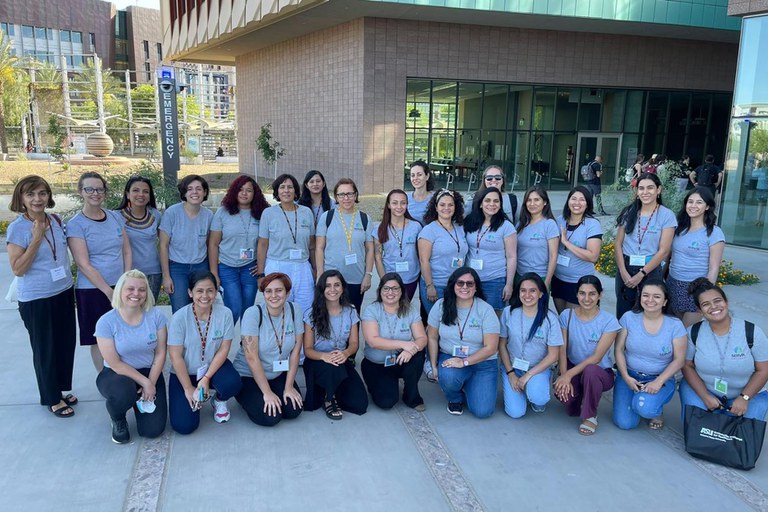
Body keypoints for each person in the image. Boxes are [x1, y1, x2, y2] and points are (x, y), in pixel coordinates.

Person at [7, 176, 78, 418]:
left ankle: (57, 390)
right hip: (37, 299)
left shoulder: (56, 220)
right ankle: (51, 398)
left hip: (63, 291)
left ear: (48, 196)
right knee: (45, 348)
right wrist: (36, 239)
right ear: (21, 199)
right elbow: (18, 269)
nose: (37, 199)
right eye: (31, 195)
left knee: (64, 344)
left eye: (42, 193)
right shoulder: (18, 228)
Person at [68, 171, 132, 371]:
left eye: (99, 189)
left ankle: (125, 372)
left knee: (122, 332)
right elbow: (84, 264)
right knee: (98, 337)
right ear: (81, 192)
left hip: (120, 286)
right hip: (93, 290)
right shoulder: (75, 224)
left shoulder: (114, 217)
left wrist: (126, 281)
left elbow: (127, 250)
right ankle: (105, 377)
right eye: (89, 189)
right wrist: (108, 291)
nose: (95, 193)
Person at [95, 270, 167, 444]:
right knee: (124, 392)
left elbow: (160, 352)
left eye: (142, 290)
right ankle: (118, 418)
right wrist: (146, 383)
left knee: (153, 430)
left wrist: (151, 380)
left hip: (149, 371)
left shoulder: (156, 316)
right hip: (116, 375)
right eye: (130, 289)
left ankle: (139, 403)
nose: (136, 294)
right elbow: (116, 363)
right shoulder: (106, 322)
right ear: (120, 290)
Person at [680, 278, 768, 421]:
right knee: (700, 433)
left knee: (742, 440)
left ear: (726, 302)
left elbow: (763, 370)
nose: (714, 307)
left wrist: (744, 398)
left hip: (749, 394)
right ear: (699, 310)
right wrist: (705, 396)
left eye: (717, 301)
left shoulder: (751, 331)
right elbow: (687, 365)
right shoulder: (693, 333)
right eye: (706, 304)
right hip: (706, 390)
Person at [167, 271, 242, 434]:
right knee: (184, 426)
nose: (205, 296)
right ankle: (192, 394)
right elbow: (175, 356)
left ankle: (219, 400)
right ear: (190, 292)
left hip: (212, 368)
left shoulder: (225, 314)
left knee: (232, 382)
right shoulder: (179, 318)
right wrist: (188, 387)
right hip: (185, 373)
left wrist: (206, 378)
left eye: (210, 290)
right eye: (199, 291)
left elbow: (224, 349)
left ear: (216, 292)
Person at [613, 280, 687, 430]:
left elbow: (679, 360)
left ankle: (655, 409)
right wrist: (626, 376)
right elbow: (619, 350)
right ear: (640, 298)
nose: (650, 300)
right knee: (625, 423)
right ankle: (640, 399)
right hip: (630, 375)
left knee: (645, 409)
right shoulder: (629, 317)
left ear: (665, 301)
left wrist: (658, 382)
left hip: (657, 378)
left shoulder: (675, 325)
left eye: (657, 297)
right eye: (645, 295)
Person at [427, 267, 500, 418]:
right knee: (448, 377)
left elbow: (491, 348)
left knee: (483, 412)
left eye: (469, 284)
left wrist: (464, 362)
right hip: (450, 357)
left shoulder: (486, 310)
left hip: (483, 363)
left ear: (476, 287)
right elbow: (432, 337)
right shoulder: (441, 306)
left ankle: (471, 384)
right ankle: (455, 398)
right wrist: (433, 365)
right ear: (453, 285)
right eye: (460, 283)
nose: (464, 287)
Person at [234, 272, 304, 426]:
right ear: (263, 293)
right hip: (249, 374)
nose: (274, 295)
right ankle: (247, 396)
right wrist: (267, 393)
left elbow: (295, 352)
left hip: (277, 372)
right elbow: (251, 357)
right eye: (268, 291)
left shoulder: (295, 310)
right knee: (270, 417)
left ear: (287, 292)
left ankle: (276, 391)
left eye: (279, 290)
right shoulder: (253, 314)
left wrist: (289, 387)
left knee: (293, 410)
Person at [554, 275, 621, 436]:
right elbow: (562, 350)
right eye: (582, 293)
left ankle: (590, 415)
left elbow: (597, 357)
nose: (587, 298)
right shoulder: (566, 316)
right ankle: (583, 396)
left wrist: (568, 375)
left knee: (590, 370)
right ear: (576, 294)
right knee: (569, 405)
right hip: (573, 367)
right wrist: (564, 375)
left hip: (599, 372)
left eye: (592, 294)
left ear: (600, 295)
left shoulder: (609, 321)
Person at [303, 270, 368, 419]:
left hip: (341, 359)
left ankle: (332, 390)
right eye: (328, 286)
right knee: (330, 368)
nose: (332, 290)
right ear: (322, 289)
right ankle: (328, 398)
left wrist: (345, 353)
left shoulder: (350, 311)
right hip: (318, 361)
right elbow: (307, 350)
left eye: (337, 285)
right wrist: (324, 356)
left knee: (360, 404)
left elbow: (354, 343)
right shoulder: (311, 314)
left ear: (343, 287)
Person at [613, 173, 677, 319]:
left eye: (650, 188)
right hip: (626, 268)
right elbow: (618, 244)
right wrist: (623, 271)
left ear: (658, 190)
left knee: (649, 312)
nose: (645, 192)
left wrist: (641, 274)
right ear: (637, 192)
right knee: (624, 313)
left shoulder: (667, 215)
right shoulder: (629, 212)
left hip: (651, 269)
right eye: (641, 188)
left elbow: (664, 250)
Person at [208, 176, 270, 324]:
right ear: (234, 191)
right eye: (241, 189)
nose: (244, 193)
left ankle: (246, 345)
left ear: (255, 194)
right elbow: (213, 244)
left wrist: (261, 268)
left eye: (249, 190)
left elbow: (265, 243)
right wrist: (214, 273)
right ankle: (223, 344)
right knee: (233, 309)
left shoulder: (262, 213)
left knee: (248, 311)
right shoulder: (223, 212)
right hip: (227, 267)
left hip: (250, 268)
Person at [499, 273, 562, 418]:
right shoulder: (509, 313)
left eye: (532, 290)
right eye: (523, 290)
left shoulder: (550, 319)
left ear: (540, 294)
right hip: (513, 368)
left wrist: (528, 375)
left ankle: (535, 395)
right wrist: (511, 374)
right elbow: (502, 345)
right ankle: (524, 388)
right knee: (515, 413)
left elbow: (554, 355)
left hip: (537, 368)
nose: (527, 295)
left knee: (538, 397)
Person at [361, 273, 427, 410]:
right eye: (386, 288)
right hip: (377, 364)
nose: (390, 292)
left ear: (401, 291)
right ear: (380, 291)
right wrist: (404, 344)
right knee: (387, 402)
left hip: (400, 359)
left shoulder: (410, 310)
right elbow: (373, 341)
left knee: (418, 355)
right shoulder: (372, 310)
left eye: (395, 288)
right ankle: (377, 385)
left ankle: (411, 396)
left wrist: (412, 349)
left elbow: (422, 338)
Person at [256, 174, 315, 314]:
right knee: (278, 310)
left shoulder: (306, 212)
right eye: (282, 187)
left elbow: (312, 245)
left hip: (302, 267)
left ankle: (302, 336)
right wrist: (260, 274)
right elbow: (262, 245)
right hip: (277, 265)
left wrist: (315, 269)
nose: (286, 190)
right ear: (277, 191)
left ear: (296, 191)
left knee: (305, 311)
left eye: (290, 187)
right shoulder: (268, 213)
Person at [316, 178, 375, 313]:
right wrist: (320, 273)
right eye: (341, 194)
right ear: (336, 197)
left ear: (355, 195)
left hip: (356, 278)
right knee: (330, 315)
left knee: (354, 315)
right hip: (331, 279)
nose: (346, 198)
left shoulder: (365, 219)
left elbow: (370, 250)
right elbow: (319, 248)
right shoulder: (327, 217)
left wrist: (368, 275)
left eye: (350, 194)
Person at [668, 187, 725, 326]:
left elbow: (713, 267)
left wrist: (707, 294)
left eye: (699, 202)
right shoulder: (679, 228)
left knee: (687, 332)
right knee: (674, 330)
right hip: (673, 284)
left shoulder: (714, 232)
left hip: (696, 288)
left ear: (707, 207)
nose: (693, 206)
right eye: (690, 201)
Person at [159, 174, 213, 313]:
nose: (194, 192)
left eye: (199, 189)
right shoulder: (172, 213)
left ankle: (198, 335)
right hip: (177, 268)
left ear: (205, 192)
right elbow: (163, 246)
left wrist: (213, 273)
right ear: (184, 192)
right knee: (180, 309)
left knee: (201, 308)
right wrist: (166, 277)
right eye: (190, 189)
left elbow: (210, 246)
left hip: (201, 266)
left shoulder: (208, 216)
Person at [463, 187, 517, 311]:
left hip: (494, 281)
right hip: (470, 280)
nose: (492, 204)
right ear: (481, 204)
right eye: (487, 201)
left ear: (500, 205)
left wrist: (509, 284)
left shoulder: (506, 226)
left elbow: (512, 257)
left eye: (496, 201)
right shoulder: (469, 222)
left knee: (492, 318)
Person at [552, 186, 603, 313]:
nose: (577, 203)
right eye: (573, 199)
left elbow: (593, 256)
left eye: (582, 200)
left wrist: (566, 242)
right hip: (558, 279)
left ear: (588, 204)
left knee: (573, 322)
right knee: (562, 319)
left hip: (579, 282)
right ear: (568, 201)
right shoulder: (560, 221)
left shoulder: (592, 224)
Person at [417, 189, 468, 315]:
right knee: (436, 326)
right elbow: (424, 261)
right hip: (436, 286)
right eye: (442, 205)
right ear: (435, 207)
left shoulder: (460, 228)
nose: (447, 208)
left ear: (456, 207)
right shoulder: (428, 231)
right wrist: (430, 286)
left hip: (457, 286)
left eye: (450, 205)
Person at [117, 175, 162, 301]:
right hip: (127, 272)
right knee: (129, 310)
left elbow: (165, 243)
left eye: (145, 191)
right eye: (136, 190)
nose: (141, 194)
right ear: (127, 194)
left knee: (149, 310)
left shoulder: (156, 215)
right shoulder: (116, 217)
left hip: (153, 272)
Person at [373, 189, 422, 301]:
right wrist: (384, 280)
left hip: (411, 278)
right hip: (390, 278)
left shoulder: (416, 227)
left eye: (403, 203)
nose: (399, 206)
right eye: (395, 203)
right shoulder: (380, 229)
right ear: (389, 205)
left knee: (405, 309)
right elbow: (378, 257)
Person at [515, 186, 559, 290]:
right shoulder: (520, 224)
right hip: (520, 276)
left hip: (540, 277)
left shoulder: (549, 224)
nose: (532, 203)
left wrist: (547, 283)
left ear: (545, 202)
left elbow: (553, 256)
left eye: (536, 200)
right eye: (529, 200)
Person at [406, 160, 435, 224]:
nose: (415, 178)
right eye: (412, 175)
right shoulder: (405, 198)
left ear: (427, 176)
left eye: (419, 175)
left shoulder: (436, 198)